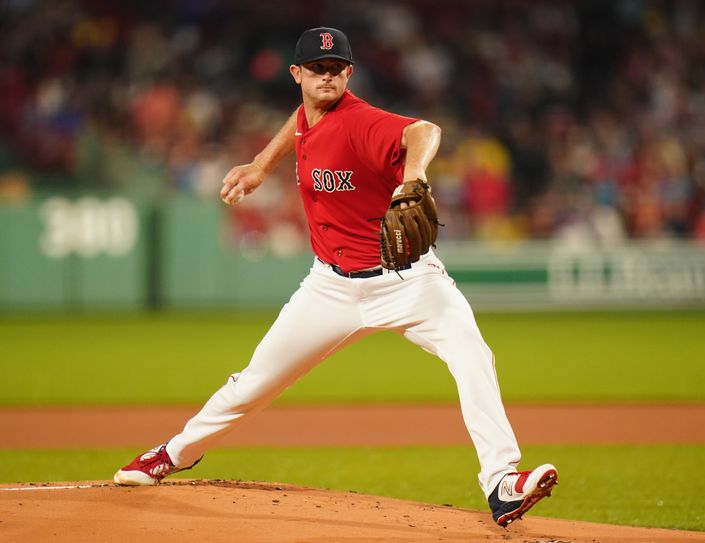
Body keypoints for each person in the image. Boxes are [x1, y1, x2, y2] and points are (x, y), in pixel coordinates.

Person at [113, 26, 557, 527]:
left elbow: (423, 130)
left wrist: (414, 177)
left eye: (335, 69)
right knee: (253, 383)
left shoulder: (362, 123)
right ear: (297, 74)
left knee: (473, 355)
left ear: (349, 73)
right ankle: (174, 453)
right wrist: (261, 165)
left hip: (408, 281)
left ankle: (502, 481)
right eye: (316, 69)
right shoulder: (307, 114)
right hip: (329, 287)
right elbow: (300, 124)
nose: (326, 77)